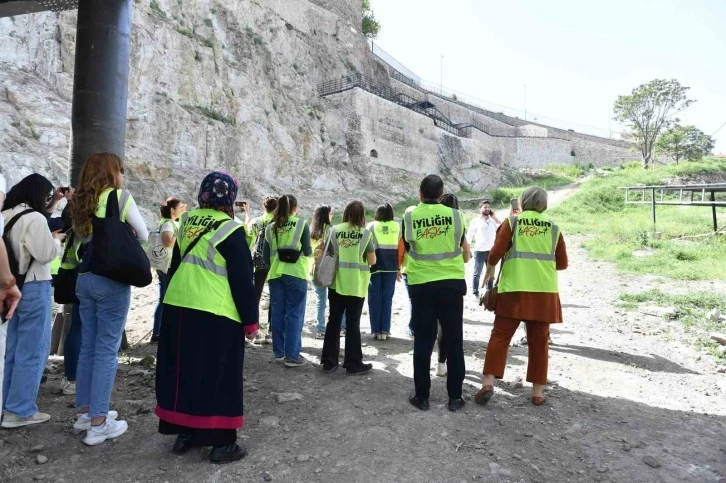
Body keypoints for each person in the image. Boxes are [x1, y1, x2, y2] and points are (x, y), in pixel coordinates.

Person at [156, 172, 259, 464]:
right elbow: (242, 280)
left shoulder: (187, 222)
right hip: (215, 310)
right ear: (228, 198)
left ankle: (186, 433)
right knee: (219, 376)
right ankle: (222, 443)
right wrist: (251, 322)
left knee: (184, 370)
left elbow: (176, 263)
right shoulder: (231, 229)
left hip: (177, 303)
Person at [70, 152, 149, 445]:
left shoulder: (80, 201)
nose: (123, 175)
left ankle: (85, 413)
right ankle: (99, 423)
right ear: (112, 173)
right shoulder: (119, 197)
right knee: (106, 350)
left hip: (84, 279)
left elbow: (81, 241)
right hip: (111, 281)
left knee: (88, 347)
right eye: (121, 170)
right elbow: (142, 235)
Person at [475, 186, 568, 407]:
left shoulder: (512, 222)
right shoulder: (554, 228)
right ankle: (537, 393)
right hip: (544, 292)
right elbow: (562, 264)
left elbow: (496, 252)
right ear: (544, 204)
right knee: (539, 341)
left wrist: (489, 270)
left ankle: (488, 383)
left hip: (514, 288)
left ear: (524, 201)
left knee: (500, 336)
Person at [404, 175, 472, 412]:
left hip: (421, 284)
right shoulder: (456, 216)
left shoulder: (410, 215)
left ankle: (422, 396)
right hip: (451, 285)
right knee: (454, 341)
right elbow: (460, 247)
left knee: (423, 341)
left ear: (420, 194)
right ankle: (455, 397)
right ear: (442, 195)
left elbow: (408, 245)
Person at [1, 174, 64, 428]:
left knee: (12, 350)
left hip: (11, 286)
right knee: (33, 350)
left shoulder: (6, 215)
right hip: (34, 286)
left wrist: (53, 205)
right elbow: (45, 253)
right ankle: (21, 411)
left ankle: (7, 405)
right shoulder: (35, 218)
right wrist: (56, 242)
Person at [320, 200, 375, 375]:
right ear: (362, 216)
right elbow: (372, 260)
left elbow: (328, 254)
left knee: (333, 321)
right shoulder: (365, 234)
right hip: (356, 285)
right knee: (353, 323)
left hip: (336, 283)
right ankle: (353, 364)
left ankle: (329, 362)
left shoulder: (334, 230)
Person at [263, 195, 312, 367]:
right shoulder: (301, 224)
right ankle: (292, 356)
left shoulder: (270, 228)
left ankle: (279, 352)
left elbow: (265, 257)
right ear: (295, 208)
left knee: (277, 312)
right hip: (295, 273)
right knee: (294, 313)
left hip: (275, 275)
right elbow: (307, 251)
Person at [434, 193, 463, 377]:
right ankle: (443, 363)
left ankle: (437, 364)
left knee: (433, 327)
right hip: (452, 280)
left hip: (428, 279)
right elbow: (467, 255)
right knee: (450, 328)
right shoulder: (458, 224)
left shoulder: (431, 222)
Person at [150, 197, 187, 344]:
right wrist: (180, 230)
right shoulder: (168, 224)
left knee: (164, 297)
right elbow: (168, 241)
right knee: (165, 298)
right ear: (172, 210)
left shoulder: (170, 222)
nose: (180, 210)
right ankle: (158, 332)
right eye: (179, 208)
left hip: (165, 264)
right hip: (168, 265)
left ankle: (159, 330)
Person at [309, 205, 346, 340]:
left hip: (315, 270)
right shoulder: (332, 230)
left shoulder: (311, 231)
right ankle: (342, 327)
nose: (332, 216)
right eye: (331, 214)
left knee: (320, 301)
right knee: (338, 300)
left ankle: (320, 329)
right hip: (331, 269)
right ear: (326, 215)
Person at [247, 196, 278, 343]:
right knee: (274, 298)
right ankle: (271, 332)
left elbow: (248, 241)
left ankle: (255, 330)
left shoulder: (256, 222)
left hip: (258, 262)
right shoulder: (279, 223)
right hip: (273, 263)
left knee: (255, 298)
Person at [367, 203, 400, 340]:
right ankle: (385, 331)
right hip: (392, 267)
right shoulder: (397, 226)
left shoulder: (371, 226)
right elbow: (400, 247)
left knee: (375, 298)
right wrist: (399, 267)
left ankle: (375, 330)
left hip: (375, 266)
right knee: (387, 298)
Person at [467, 201, 500, 298]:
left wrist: (494, 217)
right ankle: (475, 292)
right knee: (477, 272)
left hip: (491, 250)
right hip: (480, 250)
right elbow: (469, 237)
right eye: (485, 207)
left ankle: (489, 291)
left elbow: (502, 227)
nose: (487, 209)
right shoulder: (475, 221)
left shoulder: (492, 221)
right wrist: (468, 250)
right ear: (480, 209)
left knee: (490, 272)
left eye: (488, 207)